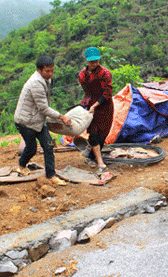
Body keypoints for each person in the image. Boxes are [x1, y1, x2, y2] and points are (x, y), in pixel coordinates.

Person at [14, 55, 72, 186]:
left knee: (49, 146)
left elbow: (43, 107)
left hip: (38, 120)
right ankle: (21, 165)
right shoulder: (36, 83)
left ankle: (50, 176)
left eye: (52, 70)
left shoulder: (45, 79)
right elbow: (43, 108)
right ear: (39, 70)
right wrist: (61, 117)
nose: (50, 73)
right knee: (31, 148)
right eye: (47, 71)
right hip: (26, 122)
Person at [78, 47, 115, 175]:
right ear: (87, 61)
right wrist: (83, 105)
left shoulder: (105, 73)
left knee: (102, 135)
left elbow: (107, 93)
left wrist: (95, 105)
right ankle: (100, 163)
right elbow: (87, 93)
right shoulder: (82, 75)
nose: (94, 64)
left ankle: (90, 156)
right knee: (93, 133)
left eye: (96, 61)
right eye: (91, 62)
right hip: (92, 106)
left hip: (105, 106)